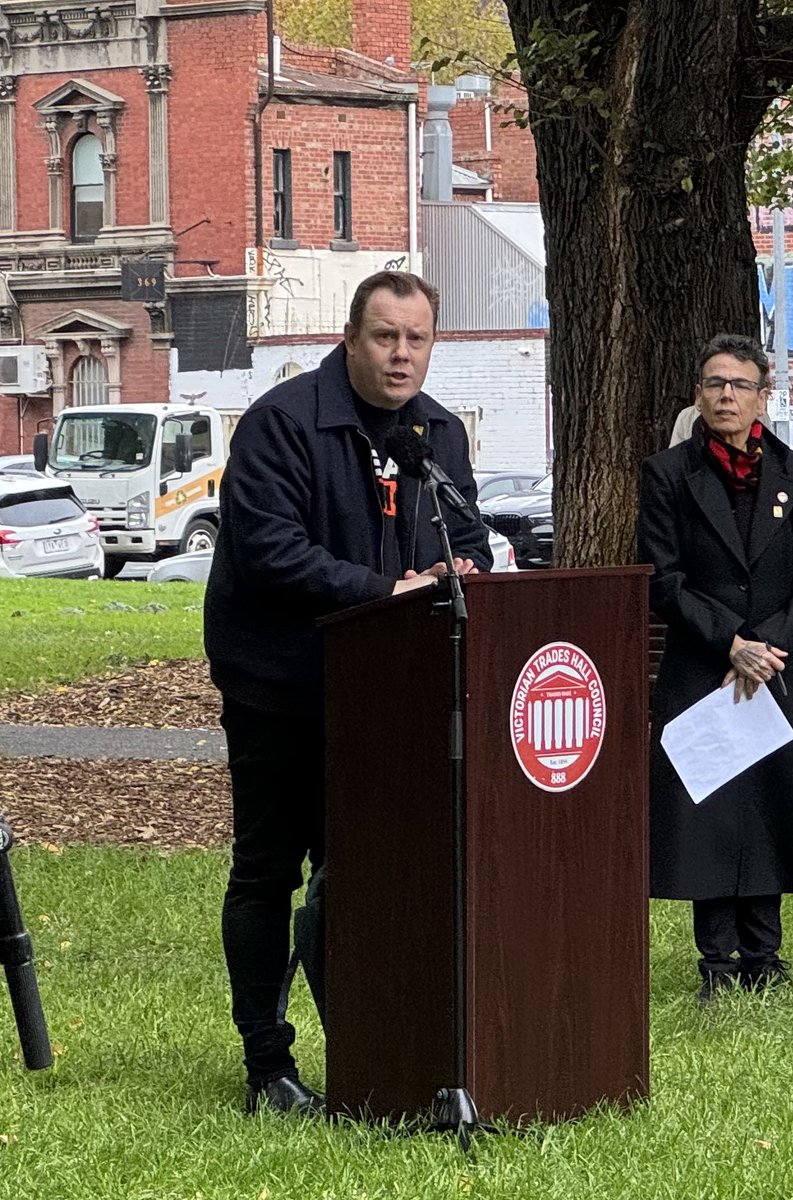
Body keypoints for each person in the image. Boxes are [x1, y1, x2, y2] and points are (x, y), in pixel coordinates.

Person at [204, 270, 492, 1114]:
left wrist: (459, 566)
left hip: (388, 695)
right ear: (350, 337)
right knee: (267, 872)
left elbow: (464, 528)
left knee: (364, 873)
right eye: (385, 337)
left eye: (417, 339)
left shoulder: (436, 432)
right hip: (281, 688)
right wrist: (385, 591)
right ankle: (267, 1064)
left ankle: (367, 1044)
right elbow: (271, 553)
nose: (402, 356)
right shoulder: (283, 424)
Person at [636, 332, 793, 1006]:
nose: (725, 395)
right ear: (698, 395)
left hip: (779, 671)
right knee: (716, 813)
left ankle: (765, 952)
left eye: (739, 385)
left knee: (769, 809)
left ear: (763, 397)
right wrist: (732, 644)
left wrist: (770, 646)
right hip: (707, 669)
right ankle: (717, 958)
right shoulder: (668, 474)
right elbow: (663, 581)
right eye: (713, 384)